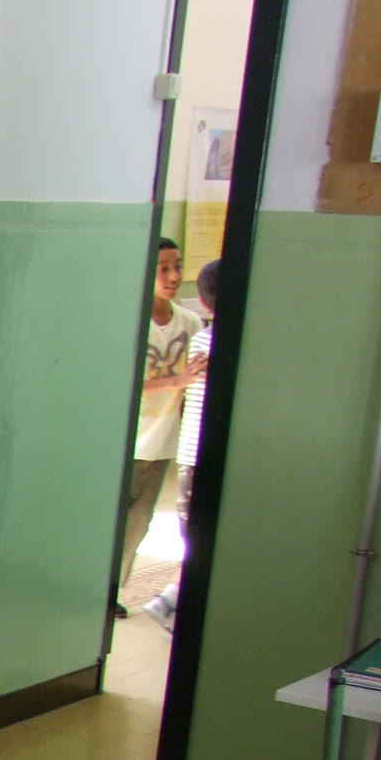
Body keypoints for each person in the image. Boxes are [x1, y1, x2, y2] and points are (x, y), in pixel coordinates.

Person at [119, 238, 205, 617]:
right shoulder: (132, 321)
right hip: (126, 442)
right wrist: (176, 380)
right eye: (163, 269)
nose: (173, 276)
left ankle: (111, 591)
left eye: (178, 266)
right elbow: (123, 382)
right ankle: (96, 592)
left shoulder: (190, 323)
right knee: (112, 522)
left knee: (138, 523)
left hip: (164, 441)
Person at [144, 258, 219, 632]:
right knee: (202, 540)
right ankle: (171, 602)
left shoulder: (201, 336)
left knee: (198, 538)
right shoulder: (214, 341)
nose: (174, 276)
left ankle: (175, 602)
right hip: (202, 456)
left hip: (192, 456)